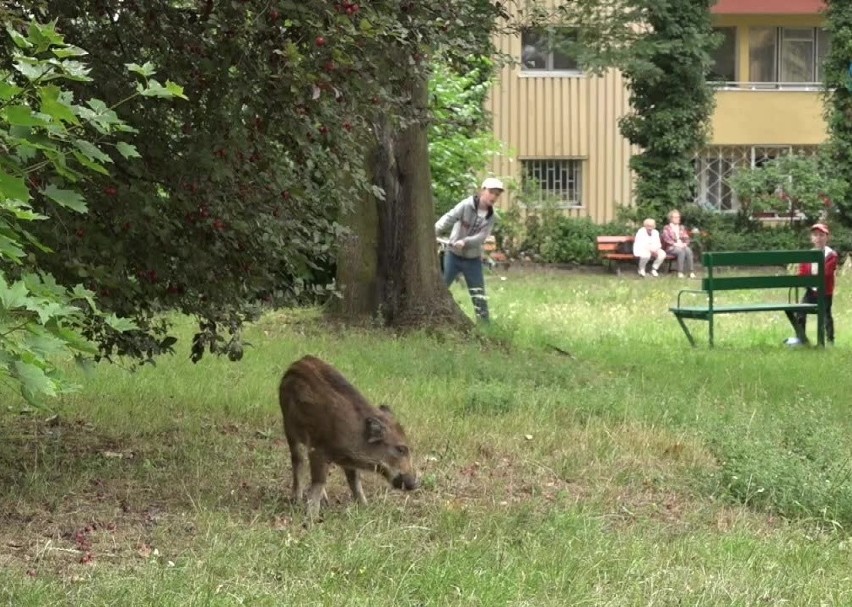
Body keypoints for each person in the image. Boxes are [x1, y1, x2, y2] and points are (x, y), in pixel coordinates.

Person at [435, 177, 503, 321]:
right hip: (452, 256)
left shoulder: (491, 217)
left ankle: (485, 327)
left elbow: (481, 237)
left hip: (473, 260)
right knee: (440, 288)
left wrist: (465, 241)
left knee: (479, 295)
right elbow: (449, 217)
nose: (494, 197)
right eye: (491, 192)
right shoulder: (466, 205)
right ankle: (432, 318)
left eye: (497, 194)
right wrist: (433, 231)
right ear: (483, 191)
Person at [786, 222, 838, 346]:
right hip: (811, 290)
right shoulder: (808, 255)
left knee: (826, 314)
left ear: (827, 237)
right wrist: (808, 278)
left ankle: (830, 340)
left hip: (825, 291)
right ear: (811, 238)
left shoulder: (831, 255)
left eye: (821, 235)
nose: (818, 238)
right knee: (801, 311)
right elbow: (803, 273)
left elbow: (827, 273)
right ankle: (802, 338)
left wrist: (813, 274)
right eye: (815, 235)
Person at [661, 209, 696, 279]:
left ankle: (691, 272)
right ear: (671, 218)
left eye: (678, 217)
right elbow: (667, 239)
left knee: (688, 250)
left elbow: (686, 237)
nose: (678, 219)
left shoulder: (681, 227)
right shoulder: (667, 228)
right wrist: (677, 244)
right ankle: (680, 272)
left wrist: (685, 244)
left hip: (681, 245)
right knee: (681, 251)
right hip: (670, 247)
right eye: (676, 217)